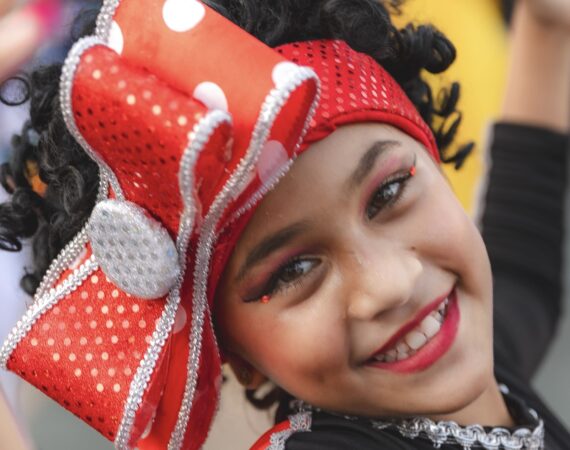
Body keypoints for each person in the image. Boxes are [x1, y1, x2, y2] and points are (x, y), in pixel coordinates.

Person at [0, 0, 569, 449]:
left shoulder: (485, 359)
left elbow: (523, 268)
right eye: (294, 271)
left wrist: (547, 27)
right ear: (233, 352)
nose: (391, 284)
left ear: (431, 153)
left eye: (389, 193)